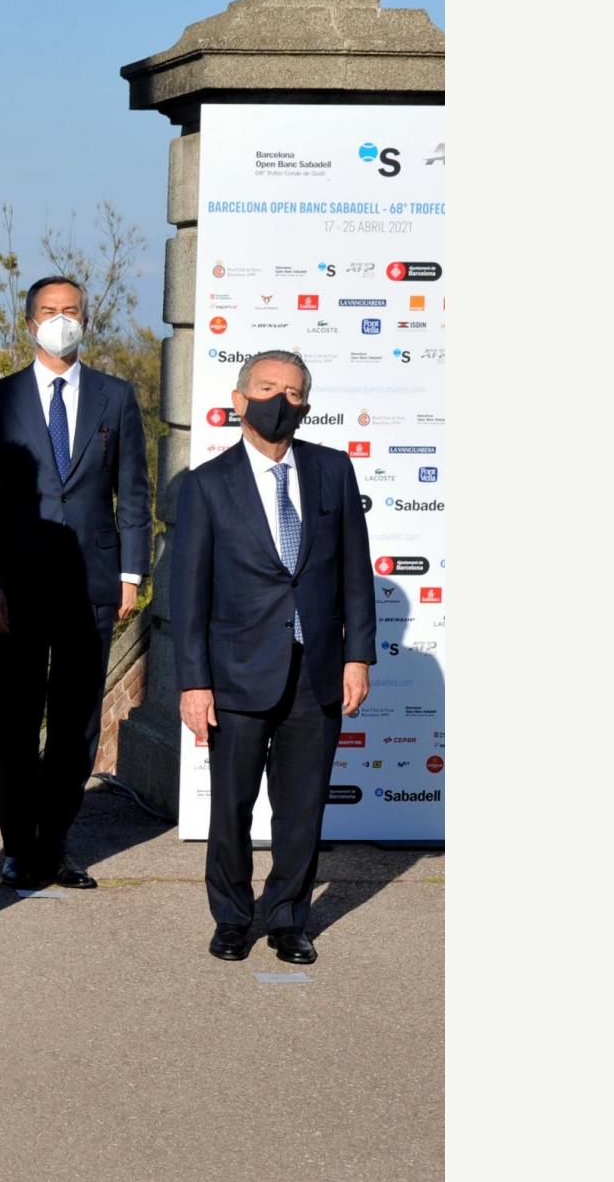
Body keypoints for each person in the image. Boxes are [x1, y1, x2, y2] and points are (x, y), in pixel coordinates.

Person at [173, 350, 374, 965]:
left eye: (292, 392)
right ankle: (232, 918)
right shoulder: (206, 485)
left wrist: (357, 657)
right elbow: (189, 593)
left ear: (305, 406)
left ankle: (289, 917)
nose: (278, 401)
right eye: (266, 387)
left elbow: (355, 575)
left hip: (316, 672)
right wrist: (193, 682)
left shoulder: (333, 472)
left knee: (302, 808)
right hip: (235, 675)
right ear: (238, 400)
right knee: (231, 806)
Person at [0, 277, 152, 891]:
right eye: (50, 311)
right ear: (29, 324)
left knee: (76, 722)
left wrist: (131, 573)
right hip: (15, 586)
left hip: (93, 584)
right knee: (18, 721)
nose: (61, 320)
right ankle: (19, 848)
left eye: (71, 311)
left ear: (84, 322)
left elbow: (133, 491)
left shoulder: (115, 396)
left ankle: (57, 845)